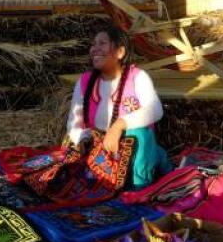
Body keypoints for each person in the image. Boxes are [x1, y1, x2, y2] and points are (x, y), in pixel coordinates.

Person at [66, 26, 170, 189]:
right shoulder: (85, 82)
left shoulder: (138, 77)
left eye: (102, 43)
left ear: (120, 52)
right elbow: (74, 122)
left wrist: (119, 126)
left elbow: (156, 110)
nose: (95, 49)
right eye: (93, 44)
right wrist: (83, 139)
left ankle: (143, 179)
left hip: (133, 148)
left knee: (139, 133)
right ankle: (160, 158)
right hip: (101, 153)